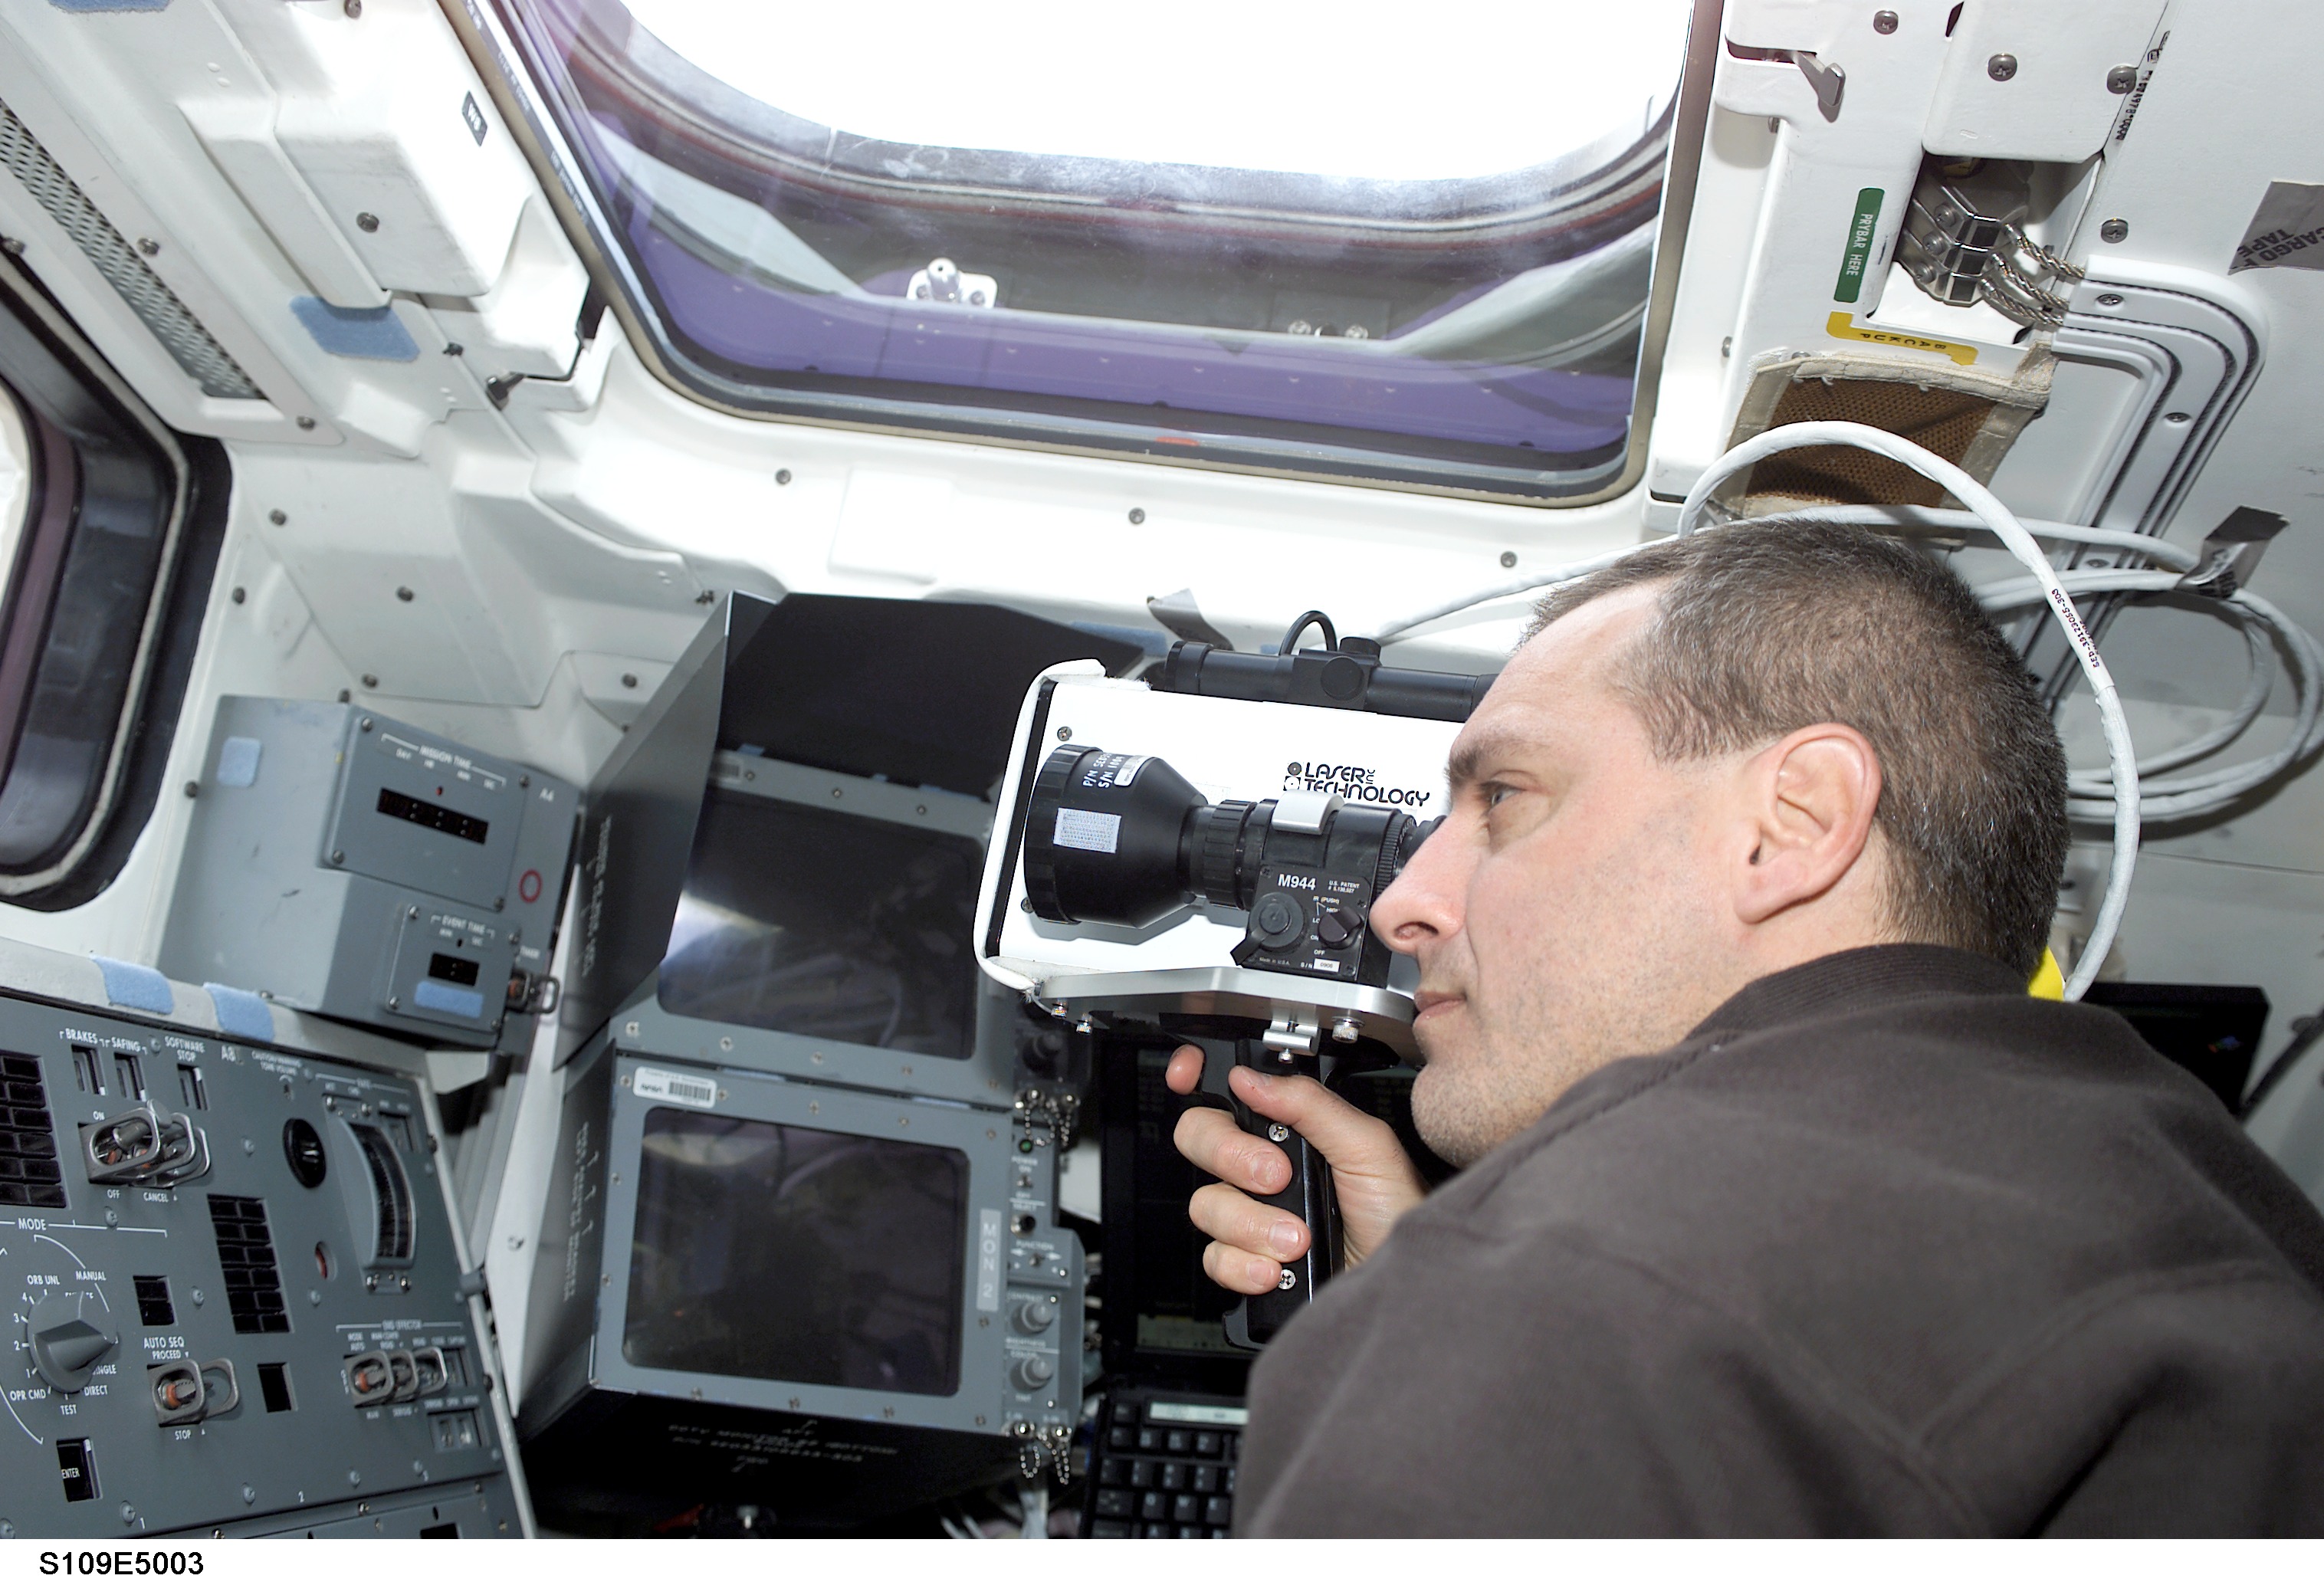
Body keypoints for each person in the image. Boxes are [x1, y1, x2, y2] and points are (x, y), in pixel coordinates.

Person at [1166, 521, 2324, 1535]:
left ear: (1795, 823)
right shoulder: (2207, 1189)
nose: (1399, 903)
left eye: (1505, 798)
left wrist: (1442, 1339)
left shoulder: (1594, 1290)